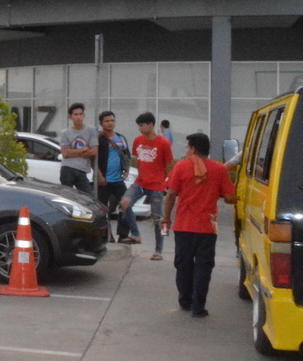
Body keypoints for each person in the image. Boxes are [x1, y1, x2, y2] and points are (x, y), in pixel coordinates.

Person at [161, 133, 236, 318]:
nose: (187, 151)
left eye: (188, 147)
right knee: (204, 266)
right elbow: (230, 197)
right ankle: (198, 307)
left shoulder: (181, 166)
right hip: (207, 227)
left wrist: (166, 218)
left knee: (183, 264)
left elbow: (171, 195)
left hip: (184, 226)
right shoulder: (219, 169)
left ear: (193, 148)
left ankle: (185, 301)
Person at [122, 112, 174, 260]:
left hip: (157, 185)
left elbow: (170, 164)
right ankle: (136, 234)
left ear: (151, 125)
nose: (139, 128)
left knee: (157, 218)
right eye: (138, 126)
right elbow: (136, 159)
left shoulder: (163, 143)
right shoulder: (138, 140)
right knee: (124, 203)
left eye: (142, 125)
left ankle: (159, 250)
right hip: (140, 182)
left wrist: (167, 183)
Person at [96, 111, 133, 243]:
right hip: (104, 181)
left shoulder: (121, 138)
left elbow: (127, 156)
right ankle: (106, 236)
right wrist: (100, 176)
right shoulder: (99, 138)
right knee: (102, 210)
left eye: (112, 120)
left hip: (118, 180)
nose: (110, 123)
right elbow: (93, 159)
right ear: (101, 123)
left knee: (126, 205)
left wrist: (127, 170)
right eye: (107, 121)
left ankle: (123, 235)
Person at [58, 102, 97, 195]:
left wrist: (72, 152)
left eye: (80, 114)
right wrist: (82, 149)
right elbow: (65, 154)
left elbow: (94, 152)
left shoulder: (91, 131)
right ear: (70, 117)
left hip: (82, 170)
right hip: (67, 168)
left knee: (87, 196)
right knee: (67, 196)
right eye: (75, 114)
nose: (78, 117)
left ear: (84, 115)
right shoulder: (65, 133)